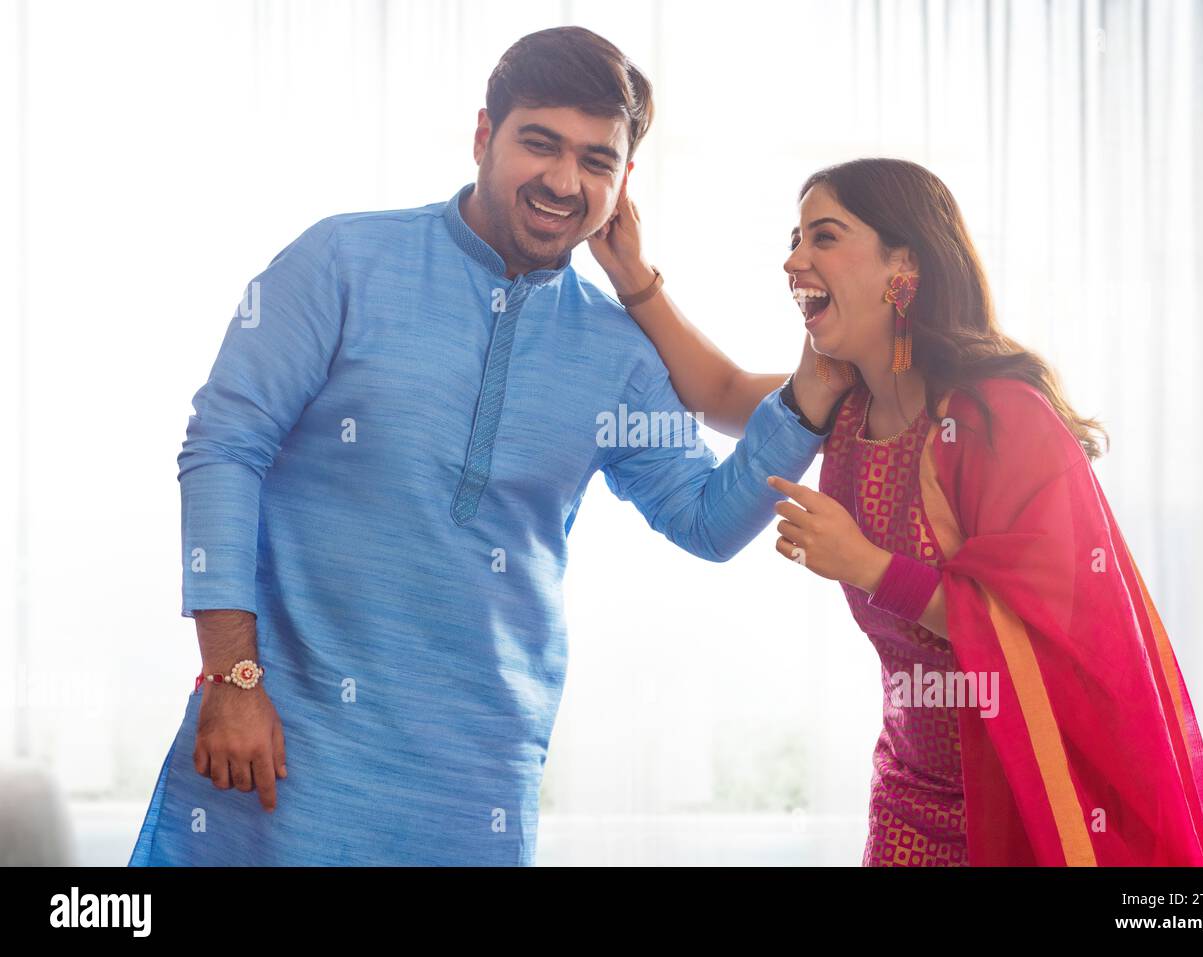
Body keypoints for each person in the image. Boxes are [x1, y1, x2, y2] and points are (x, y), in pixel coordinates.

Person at [127, 26, 851, 866]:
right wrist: (231, 677)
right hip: (281, 745)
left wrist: (808, 402)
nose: (562, 180)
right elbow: (224, 446)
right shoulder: (342, 261)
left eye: (595, 160)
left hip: (476, 786)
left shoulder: (616, 350)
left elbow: (706, 520)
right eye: (538, 144)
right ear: (483, 137)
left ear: (622, 182)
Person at [588, 156, 1203, 866]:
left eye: (823, 237)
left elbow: (1052, 623)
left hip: (1024, 802)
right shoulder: (846, 408)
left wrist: (868, 567)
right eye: (795, 237)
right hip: (905, 802)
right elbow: (721, 389)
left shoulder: (1000, 416)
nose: (793, 260)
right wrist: (631, 275)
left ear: (905, 266)